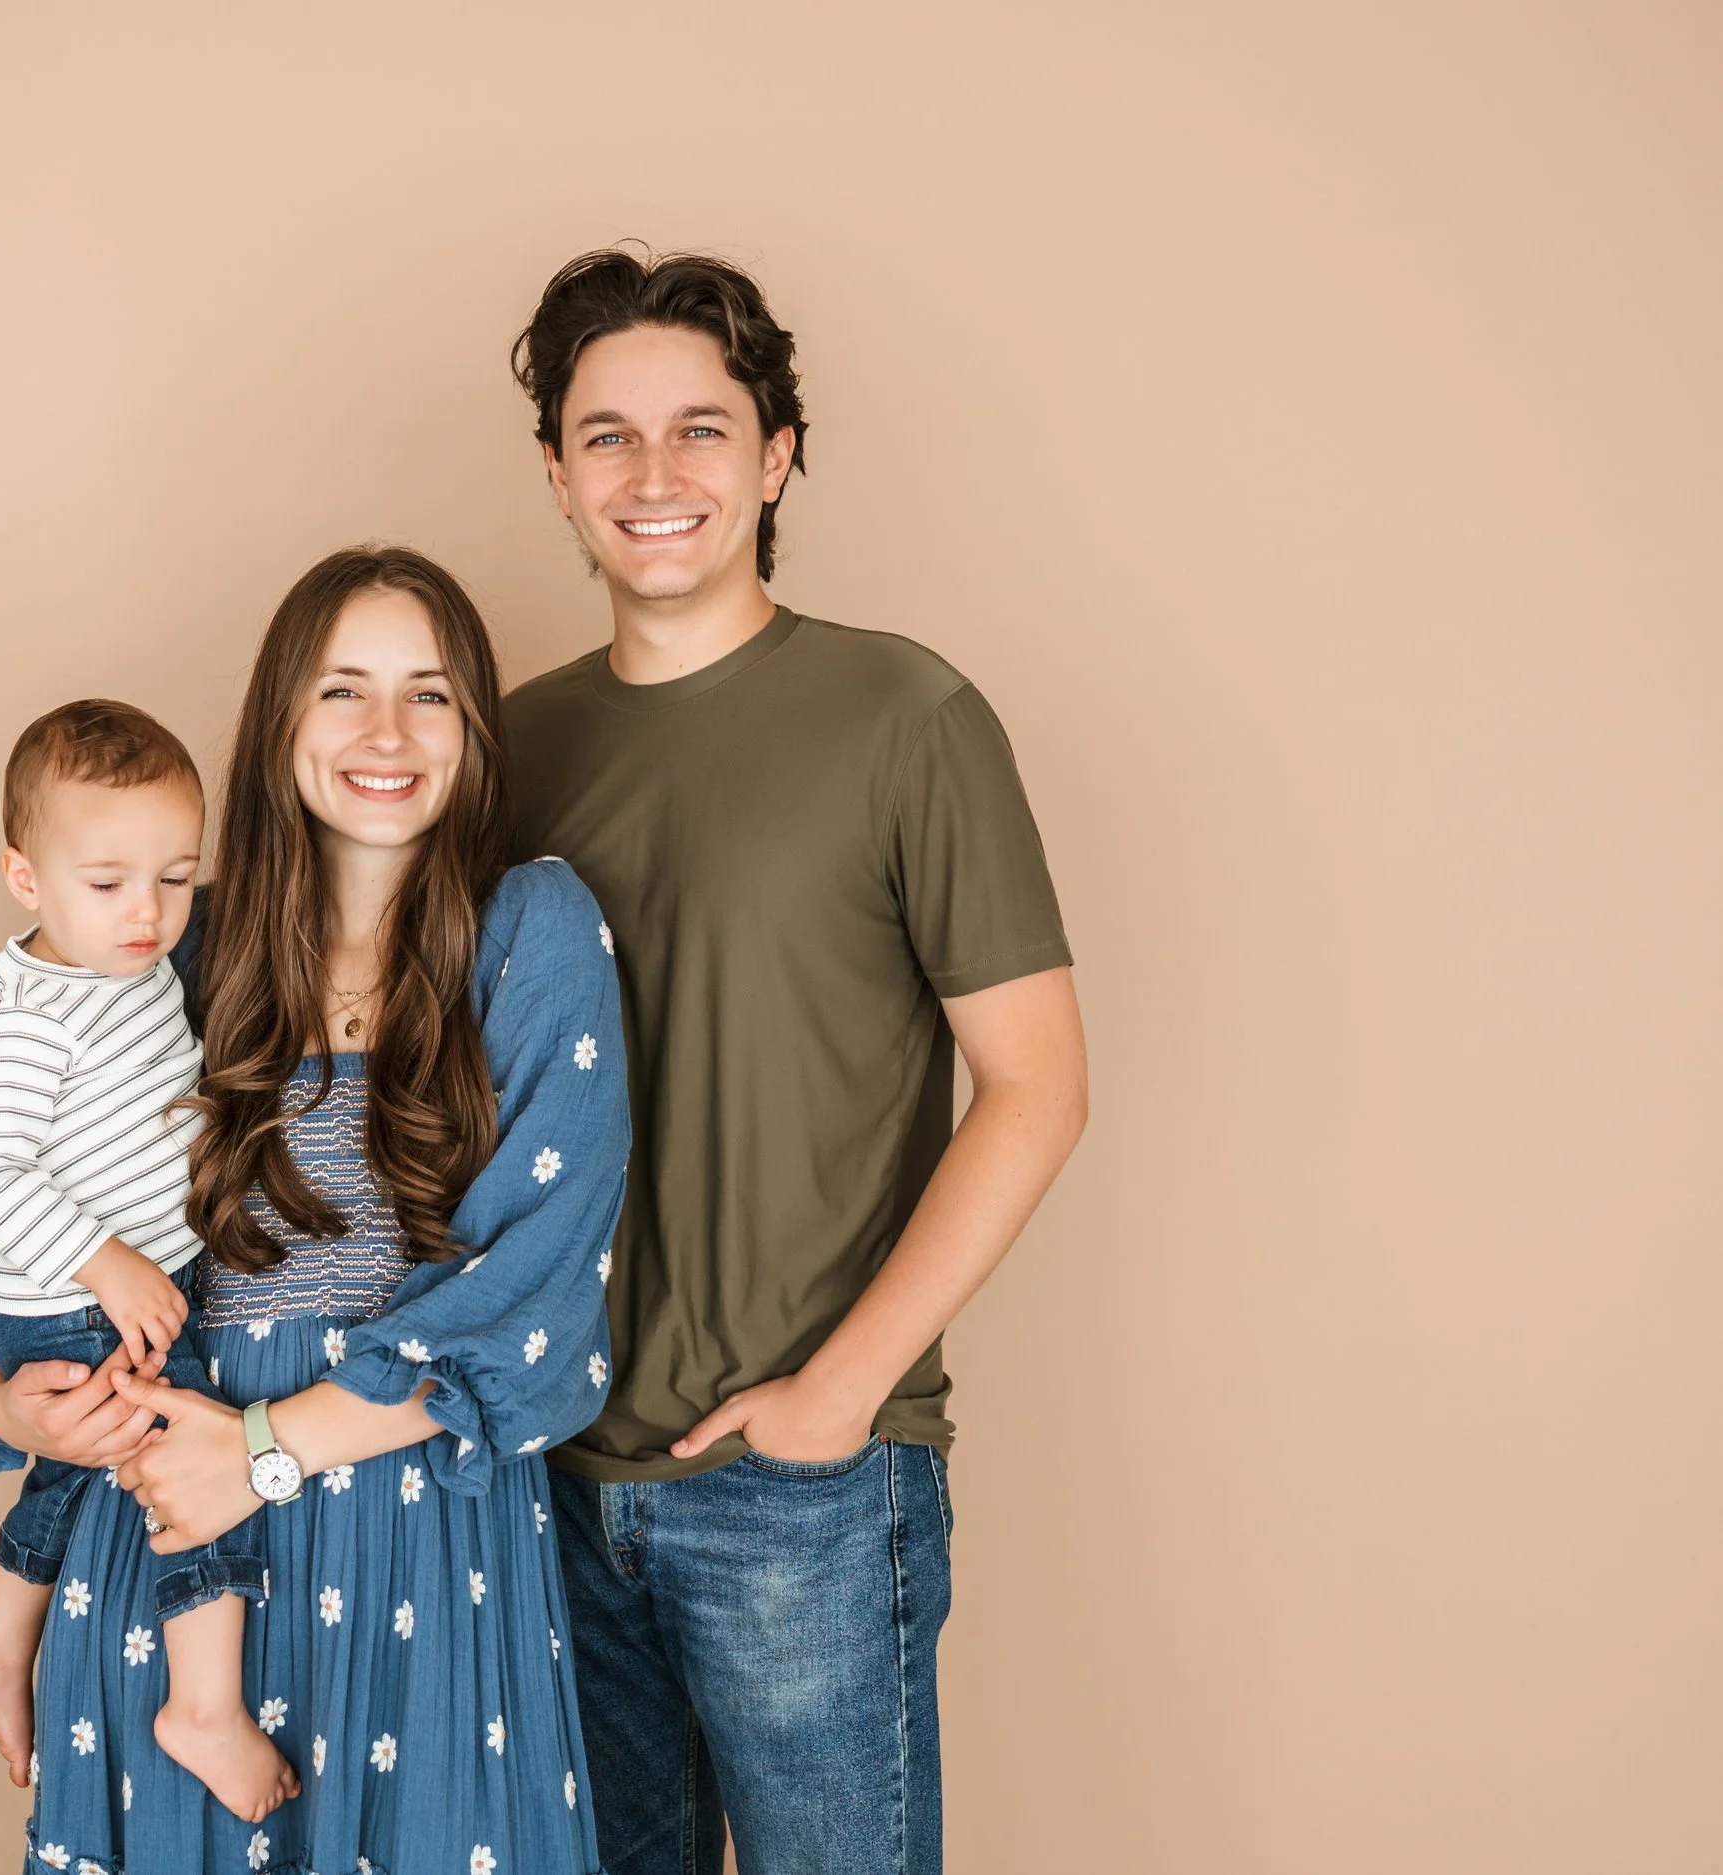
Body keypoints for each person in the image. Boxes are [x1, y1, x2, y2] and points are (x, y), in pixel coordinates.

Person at [503, 248, 1091, 1875]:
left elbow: (1039, 1083)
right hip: (550, 1481)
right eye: (606, 435)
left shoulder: (905, 715)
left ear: (775, 457)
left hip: (801, 1496)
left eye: (702, 428)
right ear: (557, 476)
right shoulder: (505, 747)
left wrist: (843, 1396)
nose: (655, 472)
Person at [0, 545, 631, 1875]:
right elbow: (2, 1207)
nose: (387, 733)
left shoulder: (532, 930)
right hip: (172, 1554)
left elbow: (538, 1297)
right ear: (281, 722)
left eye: (429, 695)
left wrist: (262, 1449)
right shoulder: (180, 945)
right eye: (343, 691)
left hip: (423, 1538)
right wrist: (5, 1396)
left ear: (473, 731)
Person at [0, 700, 292, 1822]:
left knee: (70, 1473)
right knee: (193, 1466)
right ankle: (204, 1707)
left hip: (114, 1284)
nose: (150, 913)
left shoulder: (130, 969)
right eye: (110, 882)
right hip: (76, 1302)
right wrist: (105, 1262)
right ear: (26, 881)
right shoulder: (38, 1015)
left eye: (176, 878)